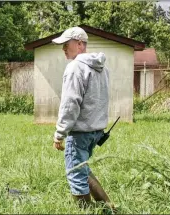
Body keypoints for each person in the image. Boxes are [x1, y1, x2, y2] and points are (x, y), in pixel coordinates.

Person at [51, 26, 115, 210]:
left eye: (66, 44)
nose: (63, 48)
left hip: (79, 133)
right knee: (83, 168)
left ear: (79, 44)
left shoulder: (75, 67)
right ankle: (109, 208)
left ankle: (86, 211)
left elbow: (70, 104)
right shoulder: (102, 68)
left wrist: (59, 134)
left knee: (75, 174)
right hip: (96, 132)